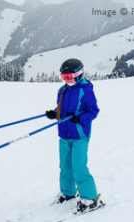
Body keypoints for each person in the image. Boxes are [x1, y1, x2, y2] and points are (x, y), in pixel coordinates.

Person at [45, 58, 102, 213]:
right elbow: (61, 109)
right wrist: (54, 114)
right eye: (64, 77)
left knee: (78, 167)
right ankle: (68, 193)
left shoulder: (86, 90)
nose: (66, 80)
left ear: (79, 74)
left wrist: (80, 118)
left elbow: (93, 111)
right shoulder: (62, 91)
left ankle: (89, 198)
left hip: (79, 135)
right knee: (65, 166)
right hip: (64, 134)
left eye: (69, 77)